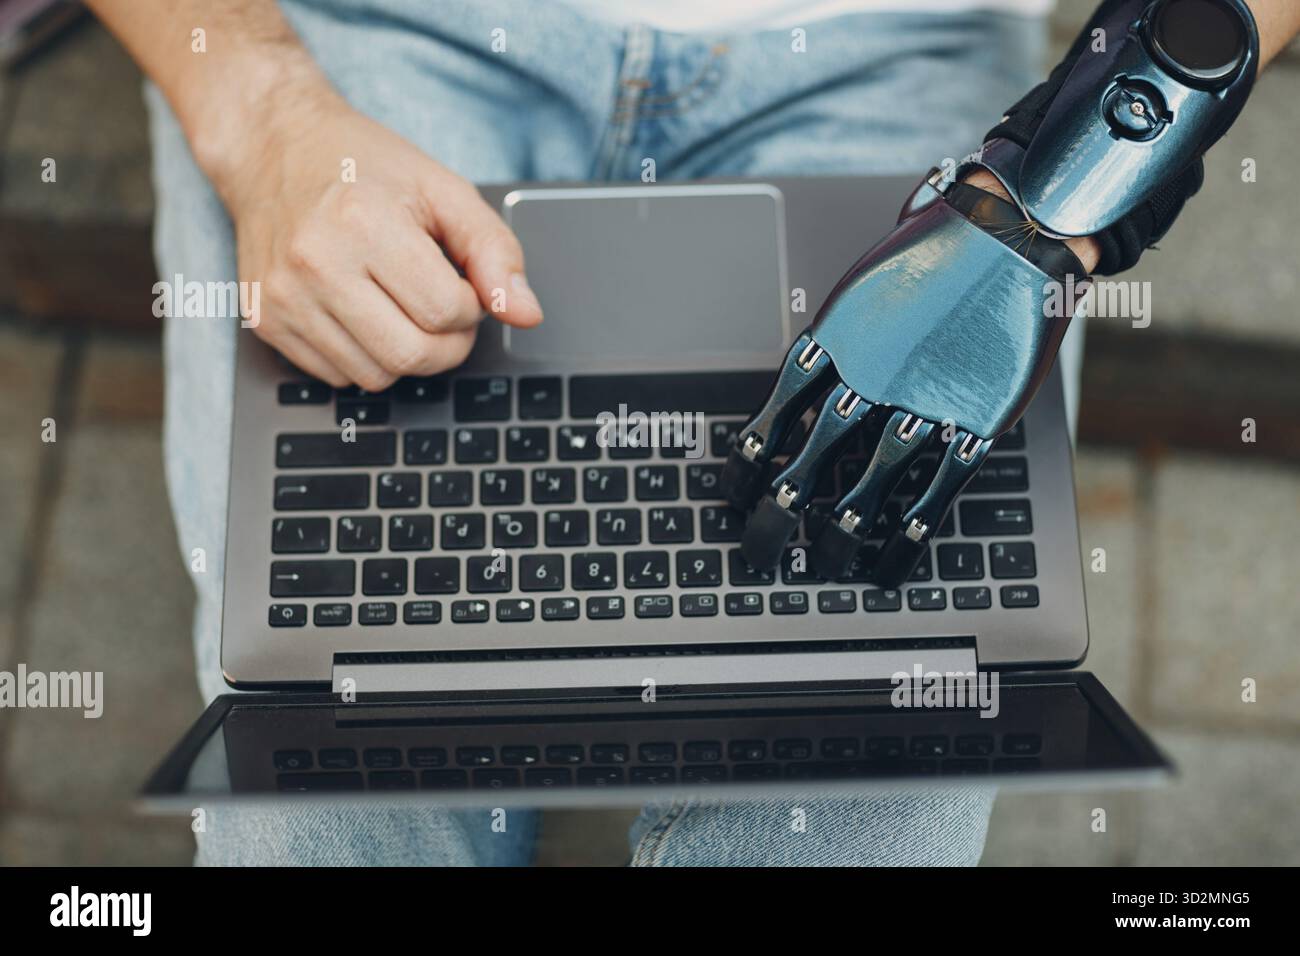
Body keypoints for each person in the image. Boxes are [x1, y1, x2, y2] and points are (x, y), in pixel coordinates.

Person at [86, 0, 1299, 865]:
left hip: (904, 50)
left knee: (876, 781)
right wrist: (260, 117)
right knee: (322, 775)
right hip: (365, 37)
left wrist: (1058, 192)